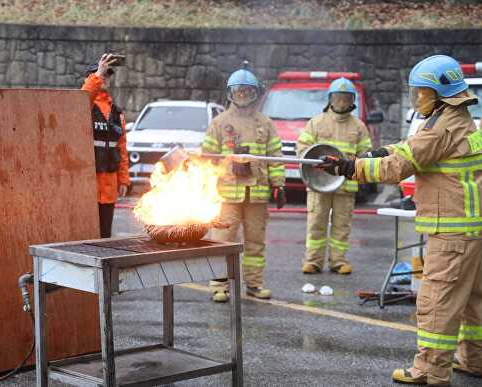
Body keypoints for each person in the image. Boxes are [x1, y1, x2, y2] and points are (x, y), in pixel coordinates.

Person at [320, 54, 482, 385]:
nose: (417, 98)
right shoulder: (459, 119)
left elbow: (400, 167)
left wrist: (350, 167)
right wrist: (373, 152)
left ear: (441, 93)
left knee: (437, 301)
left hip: (450, 234)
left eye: (422, 93)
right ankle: (474, 359)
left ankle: (429, 371)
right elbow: (411, 148)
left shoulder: (441, 127)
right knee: (472, 300)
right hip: (471, 230)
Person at [201, 62, 286, 303]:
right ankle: (219, 286)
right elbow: (207, 158)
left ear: (255, 93)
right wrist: (207, 185)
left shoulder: (265, 124)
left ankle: (254, 284)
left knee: (256, 242)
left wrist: (279, 184)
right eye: (239, 91)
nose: (243, 95)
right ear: (230, 92)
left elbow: (275, 157)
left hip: (256, 193)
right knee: (221, 241)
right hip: (227, 194)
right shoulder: (219, 123)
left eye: (247, 91)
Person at [296, 77, 373, 275]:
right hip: (319, 183)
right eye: (338, 97)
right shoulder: (316, 123)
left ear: (352, 100)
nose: (342, 102)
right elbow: (302, 149)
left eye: (346, 98)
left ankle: (338, 261)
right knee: (316, 223)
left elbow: (366, 155)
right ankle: (313, 261)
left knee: (342, 225)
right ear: (330, 99)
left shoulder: (358, 126)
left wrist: (360, 172)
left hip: (346, 185)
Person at [81, 53, 130, 238]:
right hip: (87, 185)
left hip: (109, 186)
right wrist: (97, 76)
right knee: (86, 237)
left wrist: (124, 179)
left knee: (104, 237)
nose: (105, 77)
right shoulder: (84, 103)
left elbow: (121, 148)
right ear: (90, 77)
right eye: (101, 73)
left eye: (107, 75)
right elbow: (82, 97)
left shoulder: (116, 113)